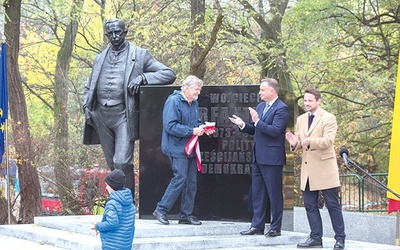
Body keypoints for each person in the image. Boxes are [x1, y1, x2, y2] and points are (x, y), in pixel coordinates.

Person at [83, 18, 176, 200]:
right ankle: (120, 201)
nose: (115, 36)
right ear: (107, 35)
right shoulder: (99, 58)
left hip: (123, 115)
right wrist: (87, 106)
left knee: (122, 161)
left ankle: (127, 203)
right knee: (112, 163)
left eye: (118, 32)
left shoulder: (140, 55)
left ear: (125, 32)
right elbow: (89, 85)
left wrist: (143, 78)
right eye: (111, 33)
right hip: (101, 115)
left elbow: (169, 74)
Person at [285, 88, 346, 249]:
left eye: (310, 100)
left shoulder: (328, 118)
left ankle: (340, 239)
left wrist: (310, 141)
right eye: (305, 100)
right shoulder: (301, 119)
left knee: (332, 205)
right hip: (308, 170)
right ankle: (315, 237)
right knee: (310, 205)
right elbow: (299, 143)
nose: (307, 103)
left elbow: (328, 141)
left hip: (325, 168)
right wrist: (294, 143)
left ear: (318, 101)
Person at [229, 78, 289, 237]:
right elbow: (256, 130)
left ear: (272, 91)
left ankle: (275, 227)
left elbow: (275, 131)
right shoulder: (261, 106)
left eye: (262, 90)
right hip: (257, 156)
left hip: (272, 158)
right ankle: (257, 225)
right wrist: (243, 125)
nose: (259, 92)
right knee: (258, 192)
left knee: (274, 193)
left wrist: (257, 121)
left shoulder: (282, 108)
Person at [153, 75, 215, 225]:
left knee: (192, 182)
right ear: (186, 88)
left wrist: (203, 128)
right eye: (196, 89)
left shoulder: (193, 103)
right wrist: (192, 131)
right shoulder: (173, 101)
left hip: (191, 147)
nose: (198, 93)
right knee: (179, 178)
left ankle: (185, 215)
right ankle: (161, 209)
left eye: (199, 90)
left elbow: (194, 123)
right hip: (177, 148)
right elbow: (170, 126)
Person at [91, 169, 136, 250]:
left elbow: (112, 223)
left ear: (112, 186)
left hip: (112, 245)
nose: (107, 187)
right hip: (126, 244)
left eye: (107, 185)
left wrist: (97, 226)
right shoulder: (130, 204)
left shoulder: (112, 204)